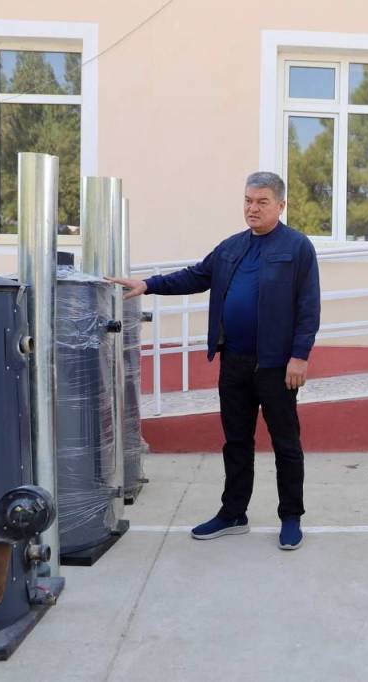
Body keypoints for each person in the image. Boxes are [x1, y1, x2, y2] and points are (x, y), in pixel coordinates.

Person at [110, 172, 320, 550]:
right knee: (236, 442)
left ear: (281, 205)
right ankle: (233, 513)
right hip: (234, 362)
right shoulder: (231, 247)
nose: (252, 208)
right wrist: (149, 284)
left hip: (276, 367)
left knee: (286, 444)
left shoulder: (297, 247)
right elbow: (195, 276)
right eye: (248, 201)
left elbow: (308, 306)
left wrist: (299, 357)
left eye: (262, 202)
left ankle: (291, 517)